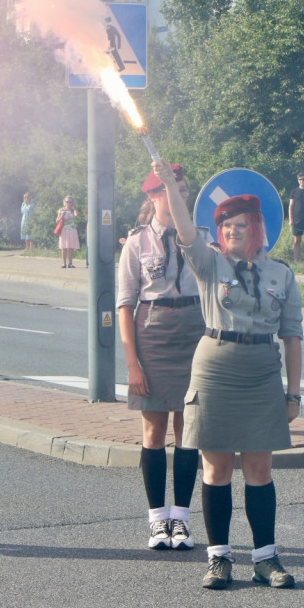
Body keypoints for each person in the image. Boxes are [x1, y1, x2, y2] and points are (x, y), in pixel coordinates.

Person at [156, 160, 304, 591]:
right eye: (226, 226)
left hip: (260, 371)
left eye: (241, 225)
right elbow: (186, 232)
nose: (233, 231)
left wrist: (293, 396)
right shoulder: (210, 264)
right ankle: (219, 558)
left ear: (258, 227)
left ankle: (265, 559)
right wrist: (170, 187)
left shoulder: (282, 274)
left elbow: (292, 338)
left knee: (259, 466)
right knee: (216, 466)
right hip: (216, 367)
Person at [117, 165, 203, 552]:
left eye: (183, 189)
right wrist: (133, 363)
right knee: (153, 431)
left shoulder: (199, 237)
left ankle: (181, 519)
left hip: (194, 330)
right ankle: (156, 520)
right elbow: (125, 305)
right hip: (153, 332)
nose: (179, 195)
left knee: (189, 430)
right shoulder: (136, 243)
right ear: (153, 197)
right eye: (170, 189)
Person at [57, 196, 80, 268]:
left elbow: (76, 215)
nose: (68, 203)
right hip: (64, 229)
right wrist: (62, 215)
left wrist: (74, 208)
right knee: (64, 247)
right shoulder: (61, 210)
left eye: (70, 202)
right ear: (64, 202)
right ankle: (64, 263)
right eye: (67, 202)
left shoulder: (73, 210)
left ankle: (70, 263)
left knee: (71, 248)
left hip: (72, 229)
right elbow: (57, 220)